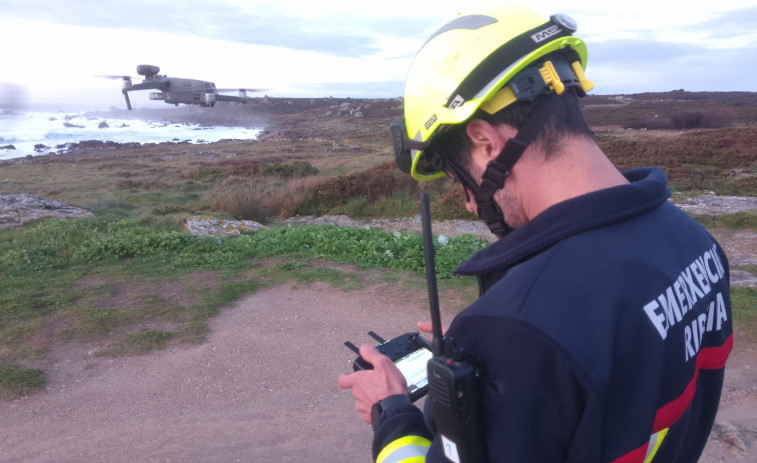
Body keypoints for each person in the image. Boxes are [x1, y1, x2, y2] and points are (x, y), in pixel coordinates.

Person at [338, 4, 733, 462]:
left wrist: (393, 413)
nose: (469, 201)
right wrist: (496, 341)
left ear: (487, 141)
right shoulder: (692, 240)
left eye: (456, 175)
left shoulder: (525, 331)